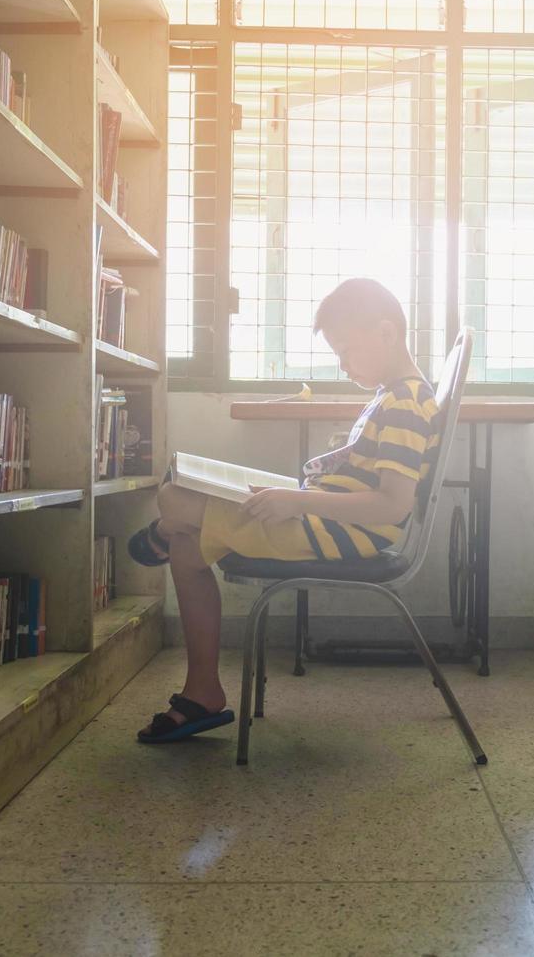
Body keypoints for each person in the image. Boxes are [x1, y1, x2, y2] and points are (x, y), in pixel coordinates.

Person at [126, 278, 441, 743]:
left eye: (347, 350)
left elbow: (393, 504)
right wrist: (293, 494)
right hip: (318, 518)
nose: (344, 364)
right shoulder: (391, 396)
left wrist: (295, 500)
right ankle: (202, 691)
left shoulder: (406, 402)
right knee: (187, 548)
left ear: (387, 333)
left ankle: (160, 534)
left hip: (331, 531)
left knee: (175, 502)